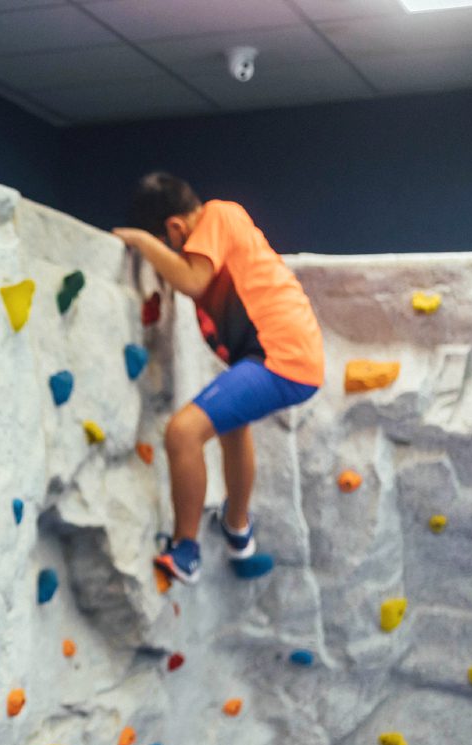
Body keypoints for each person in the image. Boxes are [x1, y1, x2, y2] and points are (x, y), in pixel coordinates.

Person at [112, 172, 324, 585]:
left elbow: (192, 279)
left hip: (282, 357)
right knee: (231, 427)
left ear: (175, 228)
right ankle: (238, 531)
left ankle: (186, 550)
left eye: (172, 243)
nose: (178, 252)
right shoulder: (227, 222)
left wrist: (142, 241)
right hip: (279, 355)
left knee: (182, 433)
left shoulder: (218, 214)